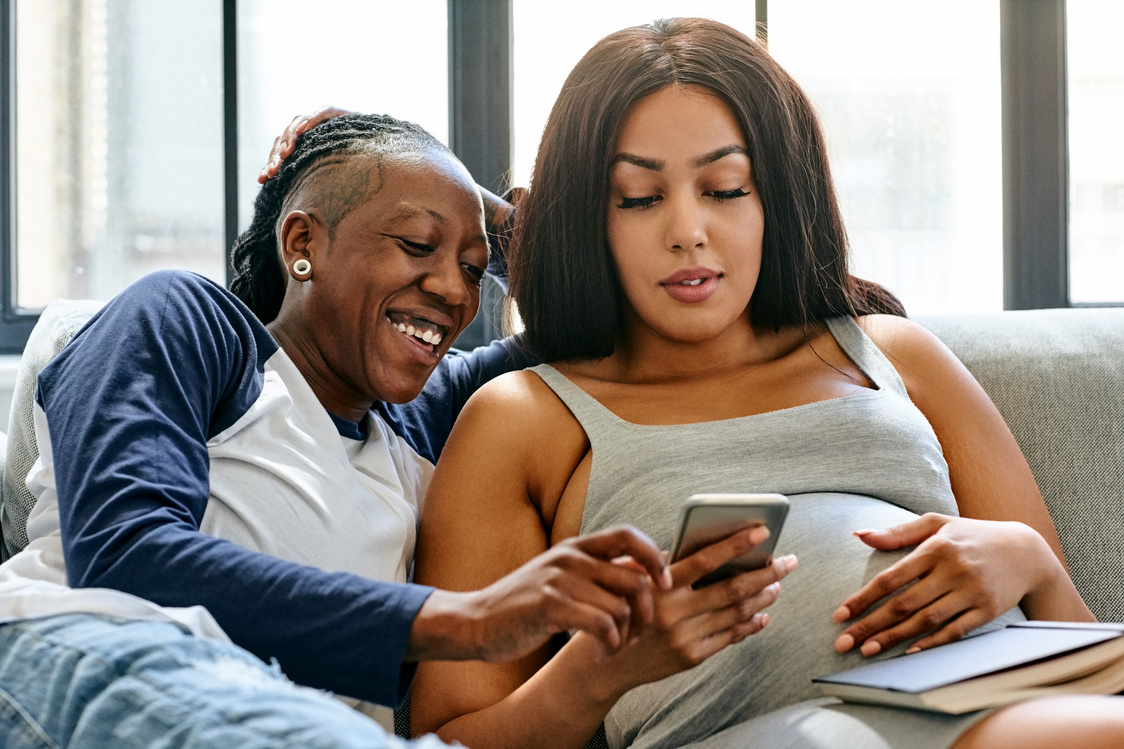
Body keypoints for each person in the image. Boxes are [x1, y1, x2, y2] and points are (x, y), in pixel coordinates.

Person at [404, 17, 1124, 749]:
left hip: (1008, 708)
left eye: (724, 187)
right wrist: (600, 670)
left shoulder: (897, 355)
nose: (687, 229)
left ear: (774, 196)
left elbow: (1095, 661)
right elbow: (448, 736)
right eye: (640, 198)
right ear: (589, 218)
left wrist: (1027, 562)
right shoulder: (523, 419)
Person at [0, 113, 765, 748]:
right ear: (302, 244)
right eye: (415, 244)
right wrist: (471, 620)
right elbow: (124, 553)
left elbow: (598, 315)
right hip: (76, 651)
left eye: (474, 266)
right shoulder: (196, 326)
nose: (453, 289)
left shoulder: (430, 418)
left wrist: (501, 223)